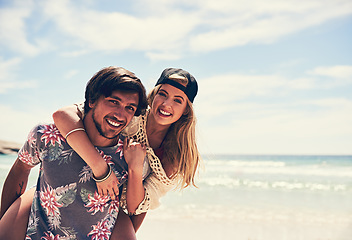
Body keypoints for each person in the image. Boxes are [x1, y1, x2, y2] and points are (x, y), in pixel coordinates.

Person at [0, 67, 202, 239]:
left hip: (111, 210)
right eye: (163, 94)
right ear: (154, 95)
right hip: (51, 198)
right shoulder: (132, 117)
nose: (166, 104)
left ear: (186, 109)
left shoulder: (170, 156)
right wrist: (101, 168)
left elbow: (137, 208)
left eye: (178, 100)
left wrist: (134, 167)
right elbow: (65, 115)